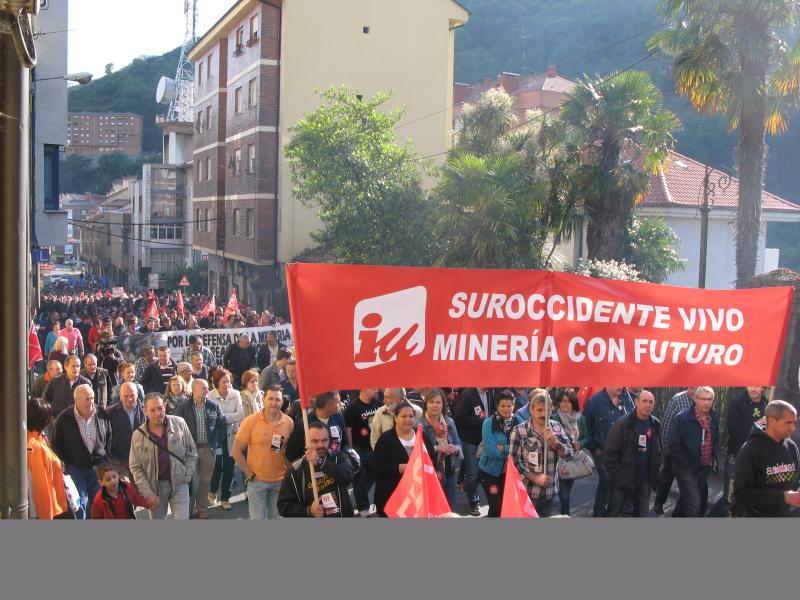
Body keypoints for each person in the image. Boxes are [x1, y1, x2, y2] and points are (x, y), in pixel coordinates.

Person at [129, 393, 198, 519]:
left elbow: (192, 452)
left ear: (165, 407)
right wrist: (147, 493)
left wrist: (187, 475)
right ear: (145, 411)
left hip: (180, 484)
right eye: (152, 410)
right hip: (155, 489)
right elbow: (135, 467)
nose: (157, 413)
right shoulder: (138, 435)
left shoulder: (179, 423)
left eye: (160, 408)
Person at [232, 384, 294, 519]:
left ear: (282, 402)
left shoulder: (289, 423)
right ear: (263, 400)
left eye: (277, 399)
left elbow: (289, 453)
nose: (274, 403)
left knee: (277, 519)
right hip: (257, 482)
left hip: (280, 483)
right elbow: (236, 450)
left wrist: (288, 476)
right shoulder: (250, 421)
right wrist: (249, 474)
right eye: (270, 398)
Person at [509, 390, 574, 517]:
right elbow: (513, 462)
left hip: (551, 496)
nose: (544, 414)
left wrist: (556, 443)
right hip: (527, 496)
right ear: (531, 410)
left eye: (547, 410)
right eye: (539, 410)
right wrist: (535, 477)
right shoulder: (519, 431)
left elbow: (569, 454)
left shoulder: (556, 427)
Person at [51, 384, 111, 519]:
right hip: (76, 468)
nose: (91, 402)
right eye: (87, 399)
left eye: (92, 398)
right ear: (76, 400)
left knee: (97, 502)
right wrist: (67, 463)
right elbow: (56, 443)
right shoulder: (64, 417)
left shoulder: (101, 413)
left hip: (98, 467)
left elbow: (108, 436)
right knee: (79, 503)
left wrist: (105, 458)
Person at [731, 400, 800, 517]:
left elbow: (796, 480)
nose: (793, 428)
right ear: (772, 421)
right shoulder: (750, 449)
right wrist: (783, 497)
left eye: (794, 423)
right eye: (788, 423)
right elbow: (741, 493)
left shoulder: (791, 446)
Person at [709, 386, 769, 517]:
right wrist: (757, 424)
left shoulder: (768, 404)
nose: (753, 389)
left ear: (763, 387)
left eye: (757, 385)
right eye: (750, 384)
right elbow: (734, 432)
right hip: (736, 457)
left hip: (756, 459)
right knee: (729, 498)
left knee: (745, 498)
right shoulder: (737, 403)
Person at [277, 421, 354, 518]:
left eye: (324, 440)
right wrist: (308, 511)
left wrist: (321, 463)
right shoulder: (295, 471)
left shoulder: (338, 458)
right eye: (315, 441)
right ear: (306, 442)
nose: (320, 445)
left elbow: (348, 477)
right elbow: (283, 507)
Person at [603, 390, 662, 517]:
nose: (648, 405)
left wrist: (654, 475)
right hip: (623, 480)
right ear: (636, 402)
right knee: (613, 513)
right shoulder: (623, 424)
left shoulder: (655, 424)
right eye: (644, 401)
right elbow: (609, 454)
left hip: (644, 480)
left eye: (651, 402)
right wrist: (619, 476)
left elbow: (658, 451)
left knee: (642, 514)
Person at [373, 402, 436, 517]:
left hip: (418, 497)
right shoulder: (385, 439)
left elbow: (432, 460)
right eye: (403, 416)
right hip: (392, 497)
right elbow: (378, 467)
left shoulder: (422, 436)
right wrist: (401, 468)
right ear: (395, 418)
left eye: (411, 416)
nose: (408, 419)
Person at [583, 387, 635, 517]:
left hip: (623, 452)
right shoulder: (594, 402)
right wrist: (595, 449)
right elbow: (584, 428)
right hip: (602, 451)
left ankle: (620, 512)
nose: (621, 386)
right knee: (607, 480)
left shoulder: (627, 399)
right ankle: (600, 514)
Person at [179, 378, 227, 519]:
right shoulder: (184, 406)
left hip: (208, 449)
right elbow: (176, 427)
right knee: (192, 481)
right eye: (203, 388)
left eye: (207, 388)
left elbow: (222, 424)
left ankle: (202, 508)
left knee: (205, 481)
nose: (207, 391)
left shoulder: (213, 405)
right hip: (190, 450)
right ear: (194, 390)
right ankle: (187, 510)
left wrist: (217, 442)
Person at [669, 386, 719, 518]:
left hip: (704, 467)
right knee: (695, 503)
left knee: (690, 499)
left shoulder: (713, 417)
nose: (707, 402)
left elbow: (715, 439)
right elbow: (674, 444)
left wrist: (712, 458)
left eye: (710, 399)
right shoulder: (682, 418)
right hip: (687, 468)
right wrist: (685, 464)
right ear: (695, 399)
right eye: (703, 399)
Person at [453, 387, 495, 516]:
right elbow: (459, 418)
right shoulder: (467, 394)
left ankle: (470, 489)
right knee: (472, 472)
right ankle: (473, 500)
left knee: (487, 470)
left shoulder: (492, 392)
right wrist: (483, 422)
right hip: (471, 440)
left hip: (488, 438)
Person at [653, 387, 696, 514]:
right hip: (675, 446)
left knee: (689, 481)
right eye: (693, 388)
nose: (695, 391)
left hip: (692, 449)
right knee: (667, 476)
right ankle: (659, 502)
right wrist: (665, 443)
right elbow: (666, 422)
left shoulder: (702, 400)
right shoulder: (677, 399)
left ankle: (681, 510)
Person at [26, 397, 70, 519]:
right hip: (44, 511)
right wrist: (47, 516)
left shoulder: (36, 439)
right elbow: (41, 485)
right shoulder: (35, 446)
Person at [421, 388, 462, 509]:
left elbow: (459, 444)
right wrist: (438, 448)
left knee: (449, 507)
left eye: (438, 402)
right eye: (431, 402)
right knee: (431, 507)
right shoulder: (420, 423)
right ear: (426, 404)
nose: (435, 405)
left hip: (449, 469)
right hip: (429, 471)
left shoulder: (449, 422)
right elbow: (418, 450)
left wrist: (455, 449)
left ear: (443, 405)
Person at [208, 368, 244, 510]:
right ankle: (212, 490)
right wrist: (229, 416)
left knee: (229, 467)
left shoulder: (235, 394)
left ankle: (225, 498)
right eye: (223, 382)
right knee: (216, 466)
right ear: (216, 382)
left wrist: (223, 417)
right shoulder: (210, 396)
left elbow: (240, 414)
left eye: (228, 381)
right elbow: (211, 417)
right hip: (217, 436)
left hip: (232, 435)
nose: (227, 384)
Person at [478, 390, 517, 518]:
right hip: (489, 472)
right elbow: (490, 450)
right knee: (496, 506)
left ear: (513, 406)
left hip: (509, 473)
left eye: (509, 405)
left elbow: (520, 448)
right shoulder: (488, 423)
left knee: (506, 507)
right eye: (502, 406)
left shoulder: (519, 422)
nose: (506, 409)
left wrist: (504, 448)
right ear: (497, 406)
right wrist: (510, 451)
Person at [551, 388, 589, 516]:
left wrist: (581, 444)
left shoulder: (580, 418)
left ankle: (563, 514)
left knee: (566, 492)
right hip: (558, 459)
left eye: (567, 401)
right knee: (564, 496)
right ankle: (565, 515)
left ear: (573, 402)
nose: (563, 404)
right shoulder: (554, 418)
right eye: (561, 402)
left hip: (573, 460)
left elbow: (586, 438)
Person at [344, 388, 381, 517]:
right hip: (359, 448)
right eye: (373, 387)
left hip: (375, 447)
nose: (376, 390)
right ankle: (363, 509)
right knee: (359, 478)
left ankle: (360, 493)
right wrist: (351, 448)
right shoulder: (352, 408)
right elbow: (348, 429)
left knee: (376, 474)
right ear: (364, 388)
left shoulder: (378, 404)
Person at [285, 391, 347, 461]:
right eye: (338, 402)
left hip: (336, 468)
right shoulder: (304, 424)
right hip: (313, 469)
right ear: (328, 406)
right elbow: (291, 454)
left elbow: (344, 444)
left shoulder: (338, 417)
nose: (341, 405)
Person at [104, 381, 145, 482]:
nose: (129, 399)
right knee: (125, 488)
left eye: (132, 395)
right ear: (120, 396)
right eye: (126, 396)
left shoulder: (146, 410)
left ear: (137, 394)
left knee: (139, 491)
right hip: (118, 460)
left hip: (140, 460)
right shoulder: (110, 413)